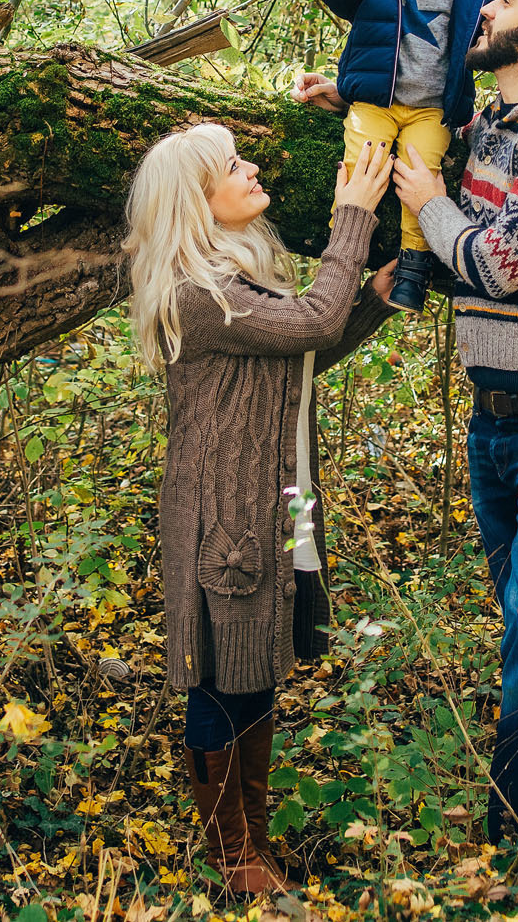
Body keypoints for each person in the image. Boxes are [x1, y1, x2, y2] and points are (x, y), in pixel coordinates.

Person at [297, 0, 518, 843]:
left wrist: (436, 208)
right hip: (497, 415)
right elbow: (432, 151)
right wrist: (350, 101)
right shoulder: (493, 124)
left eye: (505, 2)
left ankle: (517, 844)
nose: (484, 9)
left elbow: (498, 262)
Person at [123, 125, 399, 894]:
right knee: (222, 679)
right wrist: (353, 215)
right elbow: (310, 321)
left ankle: (251, 838)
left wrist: (372, 297)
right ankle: (230, 853)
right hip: (226, 516)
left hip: (272, 502)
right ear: (196, 202)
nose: (252, 167)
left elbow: (301, 346)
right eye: (232, 165)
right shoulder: (196, 293)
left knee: (256, 674)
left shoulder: (229, 281)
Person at [310, 0, 493, 311]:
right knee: (360, 166)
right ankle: (343, 252)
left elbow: (486, 38)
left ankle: (414, 266)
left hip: (430, 109)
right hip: (375, 103)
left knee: (420, 179)